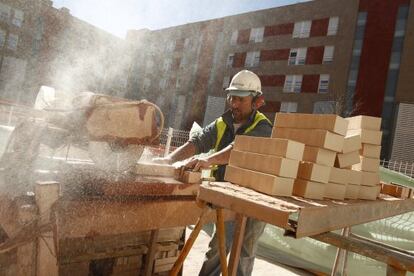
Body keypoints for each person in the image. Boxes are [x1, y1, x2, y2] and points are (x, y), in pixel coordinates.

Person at [154, 70, 272, 276]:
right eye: (232, 98)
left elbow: (240, 147)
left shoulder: (262, 126)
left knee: (244, 251)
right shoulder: (222, 122)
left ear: (256, 101)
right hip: (227, 197)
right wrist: (168, 160)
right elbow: (198, 142)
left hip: (255, 198)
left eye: (240, 99)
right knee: (218, 247)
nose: (234, 104)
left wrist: (209, 159)